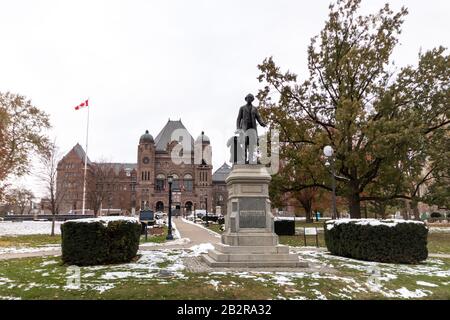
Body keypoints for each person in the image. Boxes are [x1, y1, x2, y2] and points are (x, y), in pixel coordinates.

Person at [235, 93, 267, 164]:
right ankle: (243, 159)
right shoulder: (242, 108)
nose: (249, 99)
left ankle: (250, 160)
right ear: (246, 99)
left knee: (252, 144)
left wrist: (262, 123)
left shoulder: (255, 109)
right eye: (248, 98)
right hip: (244, 128)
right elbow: (238, 119)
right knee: (244, 143)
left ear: (252, 99)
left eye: (251, 98)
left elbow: (258, 117)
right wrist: (238, 128)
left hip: (252, 128)